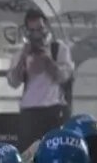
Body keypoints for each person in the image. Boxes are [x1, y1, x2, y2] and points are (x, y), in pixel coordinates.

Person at [7, 10, 75, 147]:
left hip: (54, 109)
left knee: (55, 149)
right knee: (28, 153)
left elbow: (63, 77)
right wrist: (24, 58)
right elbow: (13, 82)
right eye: (32, 30)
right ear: (27, 32)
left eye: (40, 29)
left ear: (47, 27)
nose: (37, 34)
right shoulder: (22, 53)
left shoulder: (59, 49)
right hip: (29, 112)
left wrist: (47, 59)